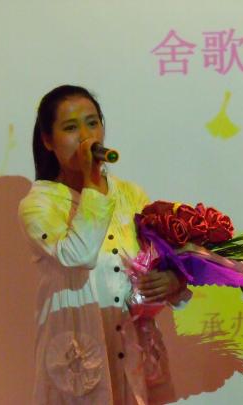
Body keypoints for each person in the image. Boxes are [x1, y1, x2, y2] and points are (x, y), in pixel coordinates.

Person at [18, 85, 191, 404]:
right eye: (71, 128)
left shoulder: (131, 194)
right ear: (47, 140)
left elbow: (158, 260)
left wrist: (172, 281)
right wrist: (93, 182)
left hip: (134, 346)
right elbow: (78, 255)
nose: (86, 137)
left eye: (92, 123)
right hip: (78, 350)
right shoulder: (38, 204)